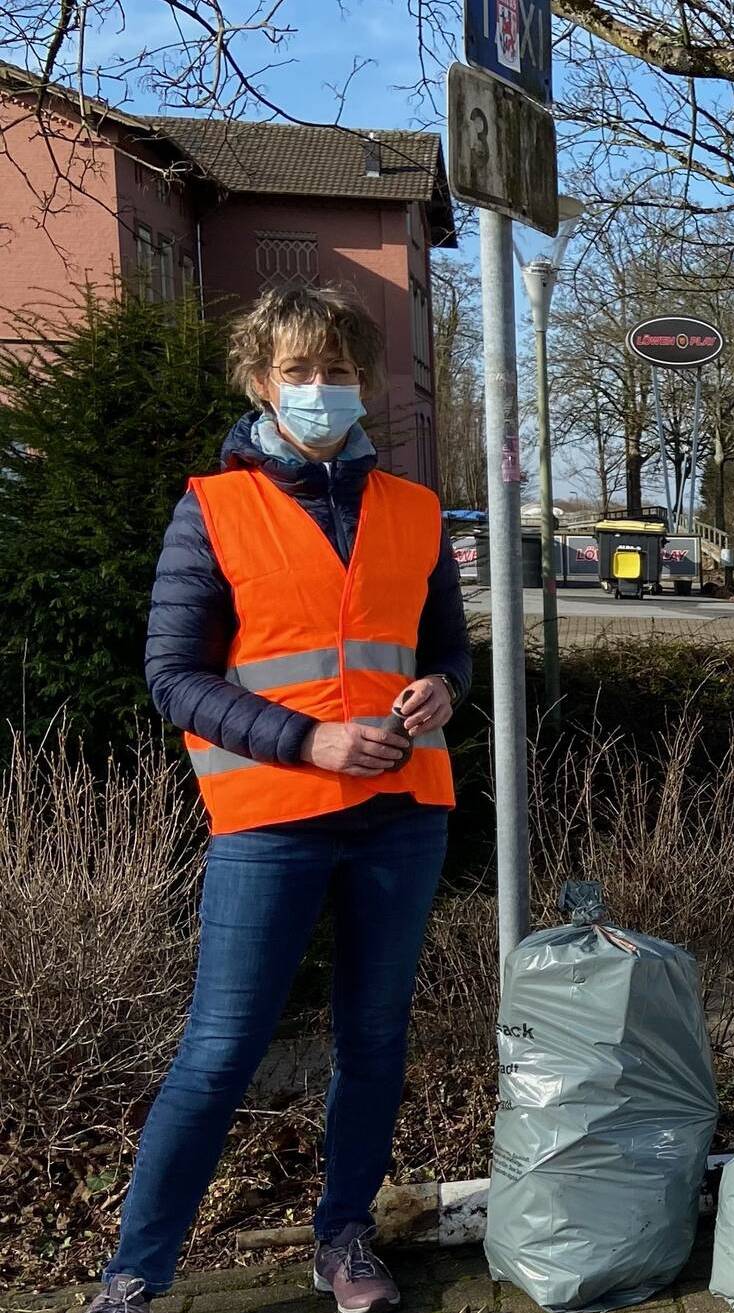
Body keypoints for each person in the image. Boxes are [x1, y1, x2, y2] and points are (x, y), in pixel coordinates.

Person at [89, 285, 469, 1313]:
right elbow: (174, 674)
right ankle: (135, 1274)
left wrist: (443, 688)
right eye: (297, 372)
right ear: (261, 382)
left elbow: (445, 649)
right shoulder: (213, 507)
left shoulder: (415, 509)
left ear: (362, 384)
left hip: (402, 810)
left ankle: (344, 1237)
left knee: (375, 1036)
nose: (318, 389)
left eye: (336, 371)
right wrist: (308, 735)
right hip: (271, 818)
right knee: (220, 1047)